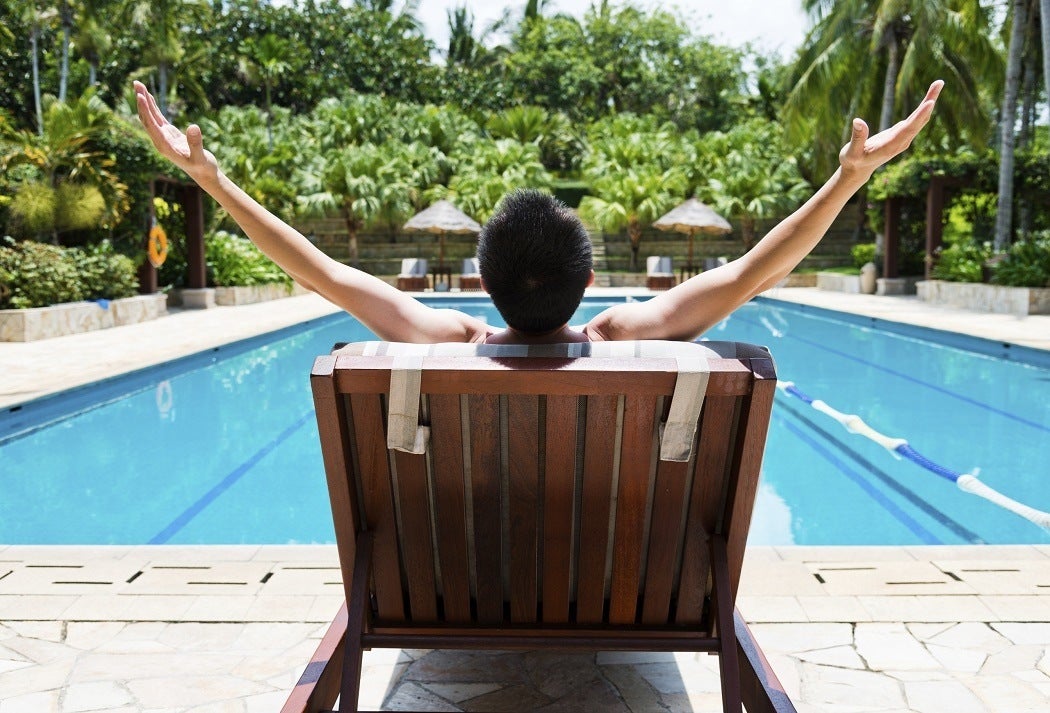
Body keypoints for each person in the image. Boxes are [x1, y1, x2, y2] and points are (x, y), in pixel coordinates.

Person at [133, 80, 943, 345]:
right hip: (625, 587)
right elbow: (754, 269)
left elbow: (322, 272)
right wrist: (845, 180)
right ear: (590, 279)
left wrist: (210, 178)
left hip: (461, 591)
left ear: (482, 288)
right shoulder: (624, 336)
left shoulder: (450, 343)